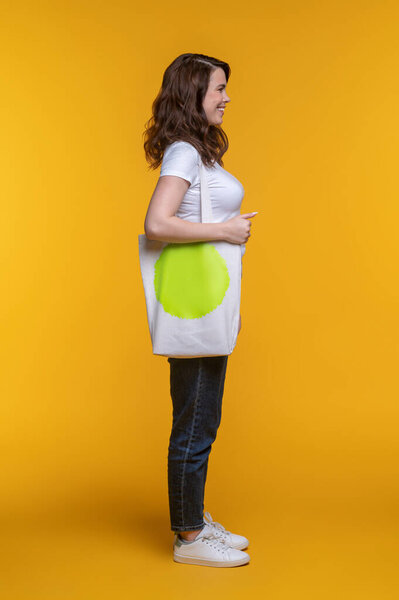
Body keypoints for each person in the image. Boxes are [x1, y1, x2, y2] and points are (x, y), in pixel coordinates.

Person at [142, 53, 257, 567]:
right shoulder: (185, 153)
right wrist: (225, 231)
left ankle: (194, 516)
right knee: (194, 420)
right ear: (194, 94)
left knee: (201, 414)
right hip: (195, 300)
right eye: (218, 89)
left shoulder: (195, 152)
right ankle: (189, 538)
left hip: (202, 298)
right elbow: (157, 224)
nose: (226, 97)